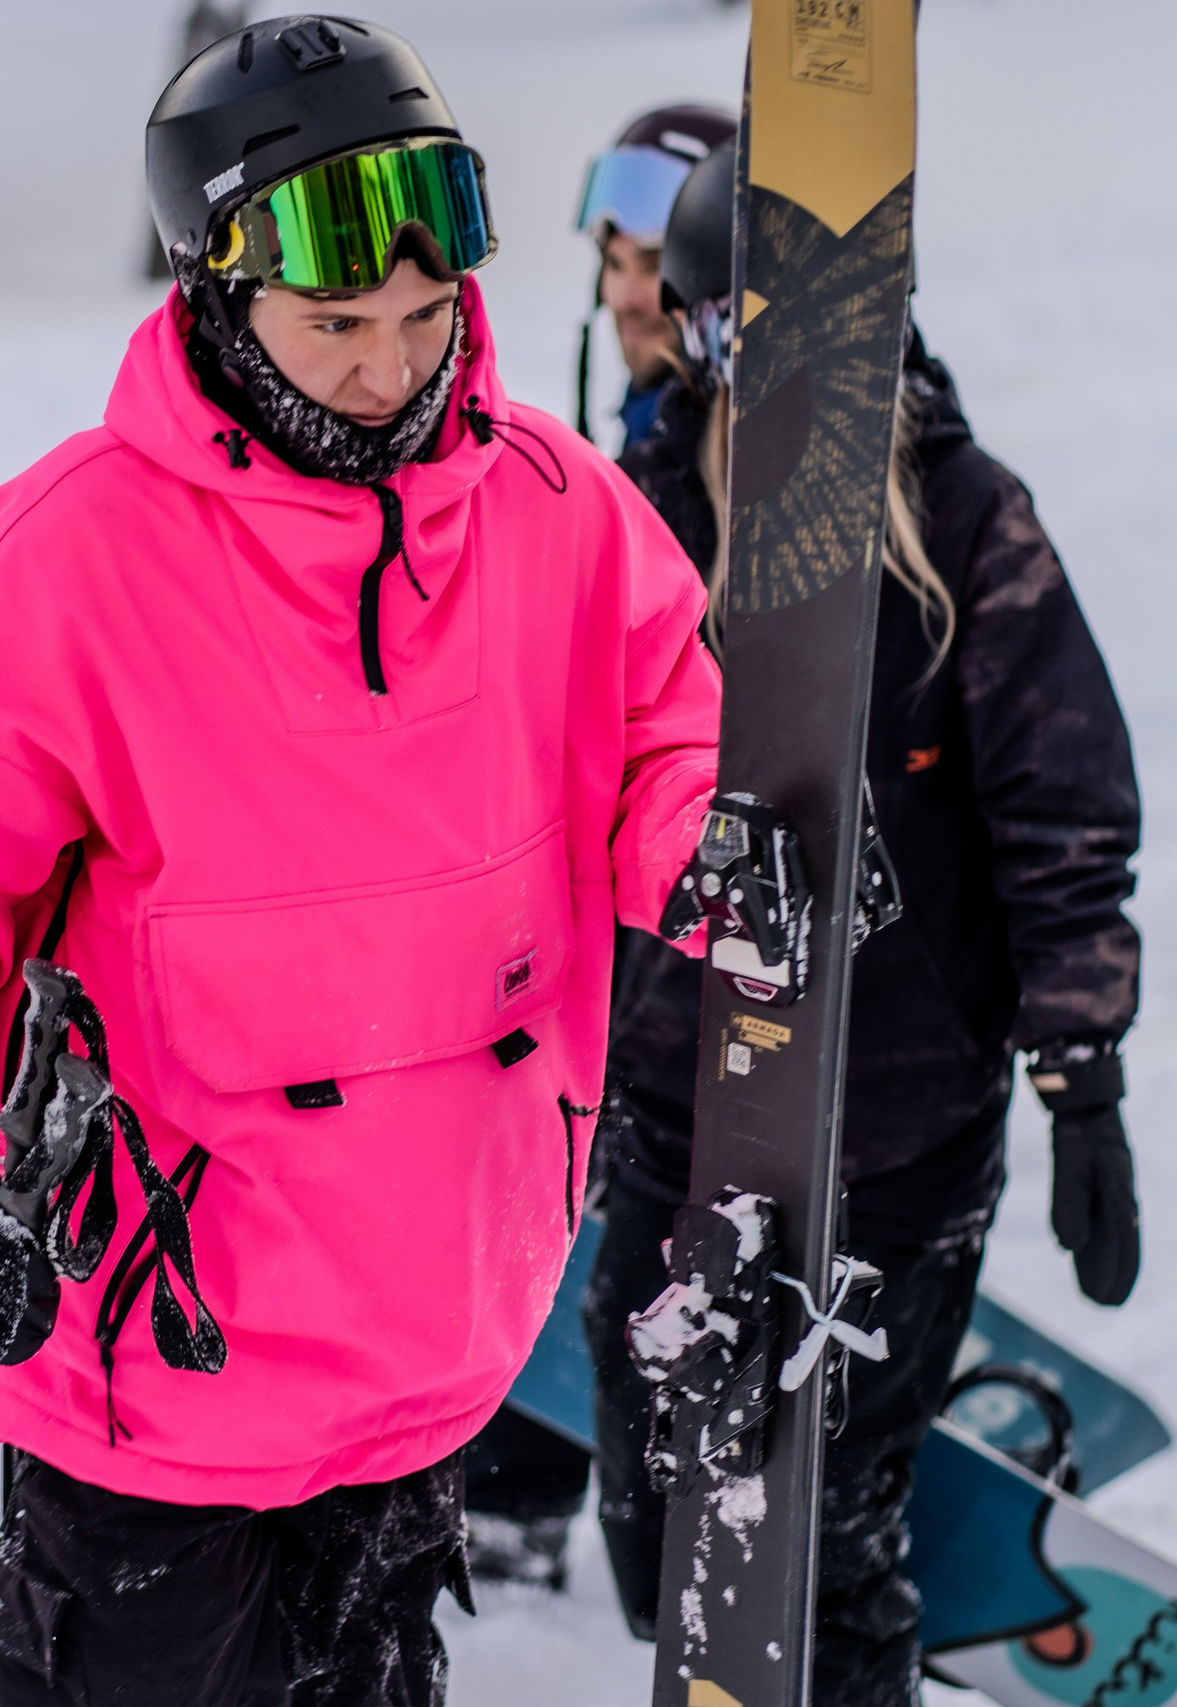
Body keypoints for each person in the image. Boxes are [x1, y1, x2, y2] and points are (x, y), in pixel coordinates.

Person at [0, 16, 749, 1704]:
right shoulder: (73, 562)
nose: (396, 371)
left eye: (430, 316)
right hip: (161, 1401)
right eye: (339, 326)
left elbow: (672, 743)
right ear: (217, 299)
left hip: (440, 1357)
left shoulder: (563, 517)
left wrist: (726, 863)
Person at [581, 144, 1146, 1705]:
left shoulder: (966, 518)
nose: (774, 371)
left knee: (815, 1547)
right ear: (691, 338)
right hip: (676, 1110)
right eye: (735, 334)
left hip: (895, 1126)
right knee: (658, 1532)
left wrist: (1079, 1069)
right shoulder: (638, 528)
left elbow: (1064, 801)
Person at [456, 97, 740, 1595]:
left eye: (659, 259)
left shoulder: (747, 467)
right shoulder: (614, 450)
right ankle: (518, 1489)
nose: (629, 289)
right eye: (616, 255)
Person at [568, 105, 740, 450]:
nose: (623, 299)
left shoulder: (743, 469)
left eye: (655, 266)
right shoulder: (646, 436)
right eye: (615, 264)